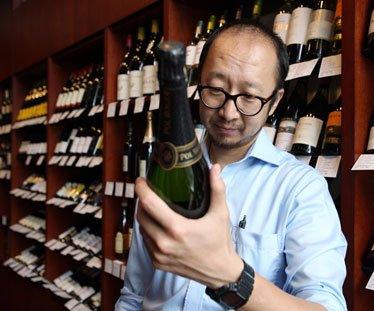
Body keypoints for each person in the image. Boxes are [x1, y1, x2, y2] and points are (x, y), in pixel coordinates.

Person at [116, 20, 347, 311]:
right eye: (214, 90)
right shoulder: (165, 172)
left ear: (274, 102)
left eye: (249, 97)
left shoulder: (301, 188)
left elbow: (326, 306)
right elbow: (134, 294)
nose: (228, 112)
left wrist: (229, 276)